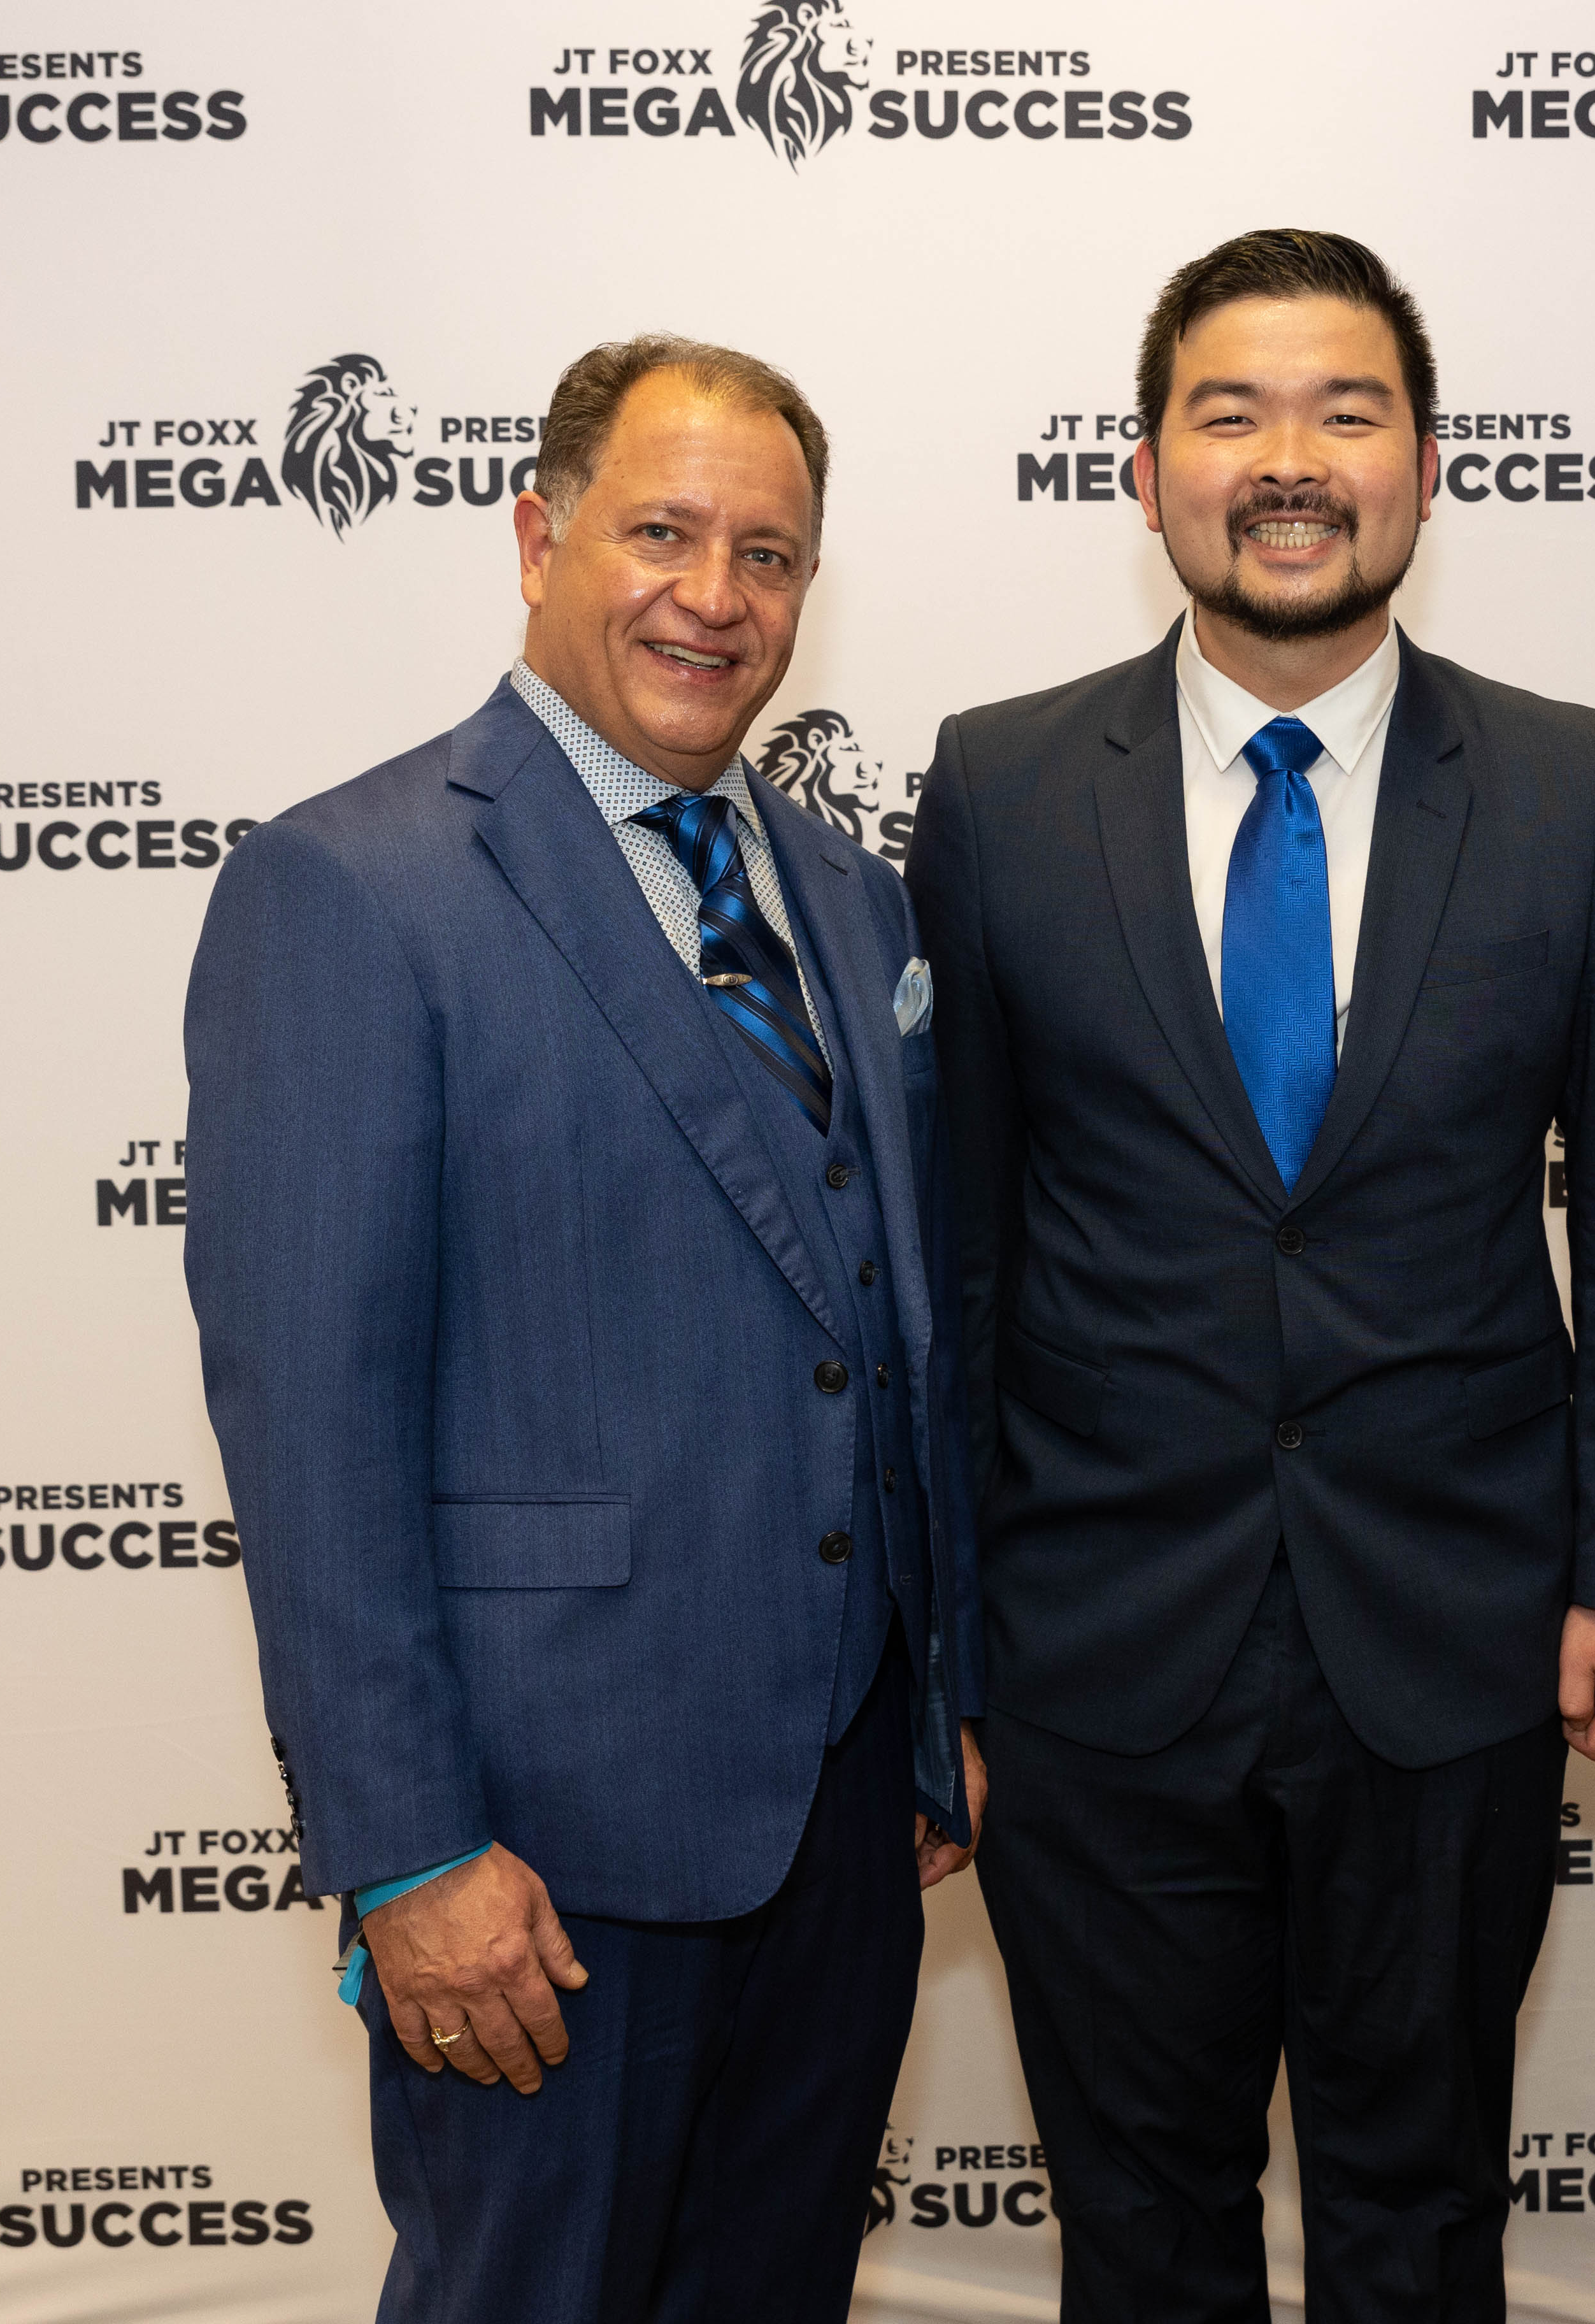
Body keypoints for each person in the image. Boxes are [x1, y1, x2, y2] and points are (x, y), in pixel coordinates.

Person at [905, 229, 1595, 2321]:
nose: (1290, 461)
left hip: (1456, 1639)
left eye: (1347, 413)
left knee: (1418, 2218)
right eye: (1231, 414)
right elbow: (957, 1248)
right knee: (1139, 2231)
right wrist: (948, 1646)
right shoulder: (998, 788)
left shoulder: (1576, 786)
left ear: (1427, 467)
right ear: (1144, 472)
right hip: (1093, 1655)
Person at [183, 336, 981, 2324]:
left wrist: (937, 1713)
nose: (715, 596)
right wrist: (406, 1853)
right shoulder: (349, 888)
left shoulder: (853, 901)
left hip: (840, 1825)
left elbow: (886, 1329)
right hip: (537, 1854)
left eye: (768, 555)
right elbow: (313, 1420)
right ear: (539, 540)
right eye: (661, 534)